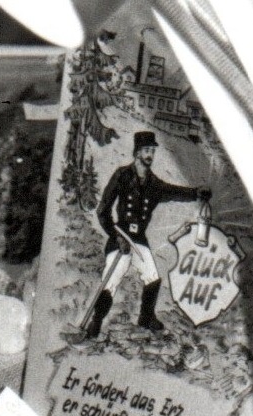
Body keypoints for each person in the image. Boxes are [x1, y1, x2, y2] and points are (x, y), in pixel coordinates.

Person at [88, 130, 209, 338]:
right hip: (120, 238)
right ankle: (96, 321)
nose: (149, 155)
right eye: (146, 150)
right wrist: (115, 235)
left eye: (152, 150)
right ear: (136, 152)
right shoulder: (122, 175)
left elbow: (174, 192)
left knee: (152, 278)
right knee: (111, 280)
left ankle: (145, 317)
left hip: (138, 241)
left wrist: (196, 194)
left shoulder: (154, 184)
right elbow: (102, 210)